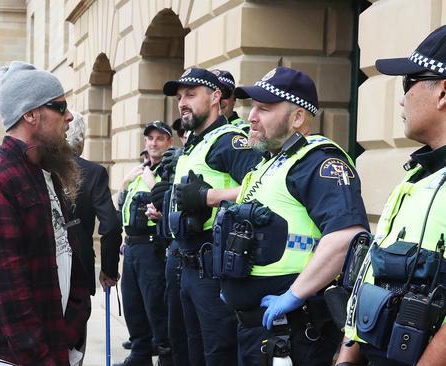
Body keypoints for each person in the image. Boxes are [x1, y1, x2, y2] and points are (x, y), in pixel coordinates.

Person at [215, 67, 368, 366]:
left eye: (264, 109)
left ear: (298, 117)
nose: (251, 117)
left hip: (293, 334)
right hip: (256, 331)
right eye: (253, 107)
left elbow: (345, 236)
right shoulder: (269, 164)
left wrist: (294, 295)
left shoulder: (319, 162)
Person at [0, 61, 91, 366]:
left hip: (58, 347)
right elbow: (10, 298)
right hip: (19, 358)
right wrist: (45, 358)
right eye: (60, 107)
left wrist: (72, 331)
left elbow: (71, 254)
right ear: (30, 114)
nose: (69, 116)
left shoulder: (47, 173)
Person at [338, 25, 446, 366]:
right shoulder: (418, 175)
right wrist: (347, 356)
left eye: (408, 83)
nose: (402, 98)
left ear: (443, 91)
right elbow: (372, 275)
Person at [148, 68, 261, 366]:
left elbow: (263, 187)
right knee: (186, 352)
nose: (183, 102)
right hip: (185, 266)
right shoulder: (195, 143)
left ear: (215, 97)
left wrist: (209, 197)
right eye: (180, 97)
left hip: (213, 268)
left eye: (191, 95)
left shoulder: (230, 140)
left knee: (218, 353)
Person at [115, 121, 173, 366]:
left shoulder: (170, 170)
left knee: (156, 306)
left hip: (153, 248)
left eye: (160, 138)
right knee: (133, 304)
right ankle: (139, 354)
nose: (153, 143)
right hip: (132, 247)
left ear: (169, 143)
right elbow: (120, 206)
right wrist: (124, 183)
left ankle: (166, 356)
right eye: (150, 139)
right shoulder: (139, 170)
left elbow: (171, 205)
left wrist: (152, 182)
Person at [66, 111, 122, 295]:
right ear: (81, 139)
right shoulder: (93, 173)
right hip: (79, 265)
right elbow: (111, 226)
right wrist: (109, 270)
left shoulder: (37, 168)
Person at [211, 69, 250, 133]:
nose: (218, 100)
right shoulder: (194, 130)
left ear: (234, 98)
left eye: (224, 93)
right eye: (212, 94)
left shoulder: (243, 132)